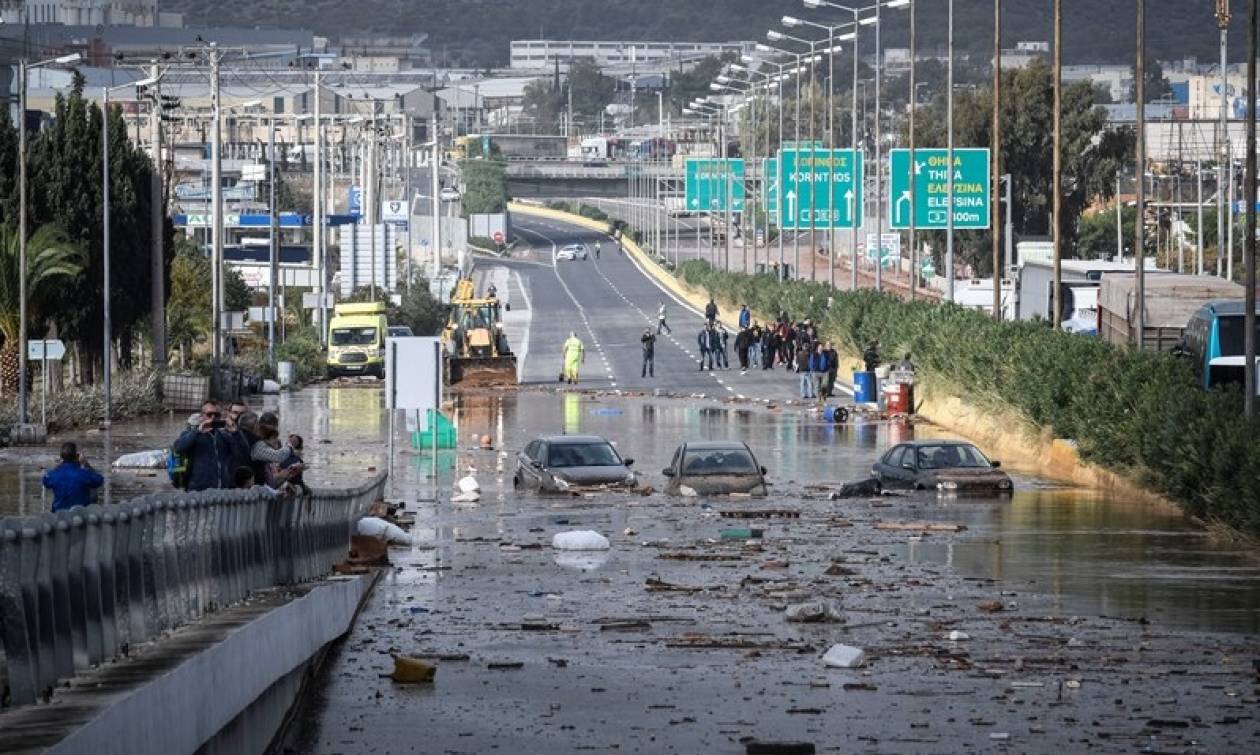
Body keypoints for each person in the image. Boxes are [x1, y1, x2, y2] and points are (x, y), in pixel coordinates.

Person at [172, 400, 248, 491]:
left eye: (217, 415)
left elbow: (244, 454)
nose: (213, 417)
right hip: (198, 490)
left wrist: (236, 433)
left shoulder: (225, 435)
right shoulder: (192, 433)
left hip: (222, 489)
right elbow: (178, 448)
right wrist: (198, 431)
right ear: (201, 416)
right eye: (209, 414)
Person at [42, 442, 104, 512]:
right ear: (76, 456)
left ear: (61, 456)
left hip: (59, 515)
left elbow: (45, 481)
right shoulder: (83, 473)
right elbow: (99, 480)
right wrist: (85, 465)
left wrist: (58, 466)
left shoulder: (54, 474)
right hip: (81, 515)